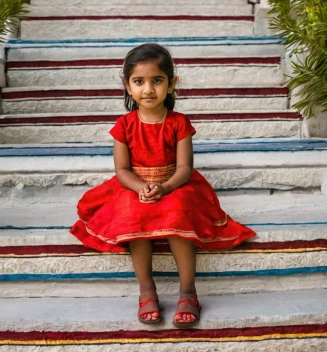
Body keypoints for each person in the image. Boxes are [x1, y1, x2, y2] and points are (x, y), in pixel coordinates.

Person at [70, 43, 256, 328]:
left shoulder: (179, 123)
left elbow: (185, 168)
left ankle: (188, 292)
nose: (148, 89)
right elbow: (121, 170)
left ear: (171, 84)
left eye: (157, 80)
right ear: (126, 85)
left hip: (176, 184)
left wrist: (165, 188)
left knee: (178, 212)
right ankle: (147, 291)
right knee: (134, 214)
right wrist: (140, 187)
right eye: (139, 81)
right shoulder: (124, 125)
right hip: (134, 185)